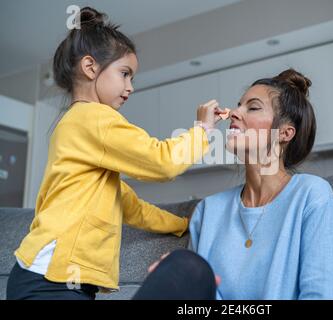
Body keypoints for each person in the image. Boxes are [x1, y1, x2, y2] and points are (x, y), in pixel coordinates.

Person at [6, 7, 225, 300]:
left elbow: (130, 205)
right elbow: (161, 162)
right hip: (51, 278)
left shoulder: (79, 131)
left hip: (49, 277)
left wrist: (182, 223)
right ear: (90, 67)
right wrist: (202, 130)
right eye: (125, 74)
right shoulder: (94, 118)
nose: (130, 87)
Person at [189, 69, 333, 300]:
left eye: (252, 107)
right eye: (238, 105)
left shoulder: (311, 196)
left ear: (284, 132)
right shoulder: (207, 211)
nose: (233, 113)